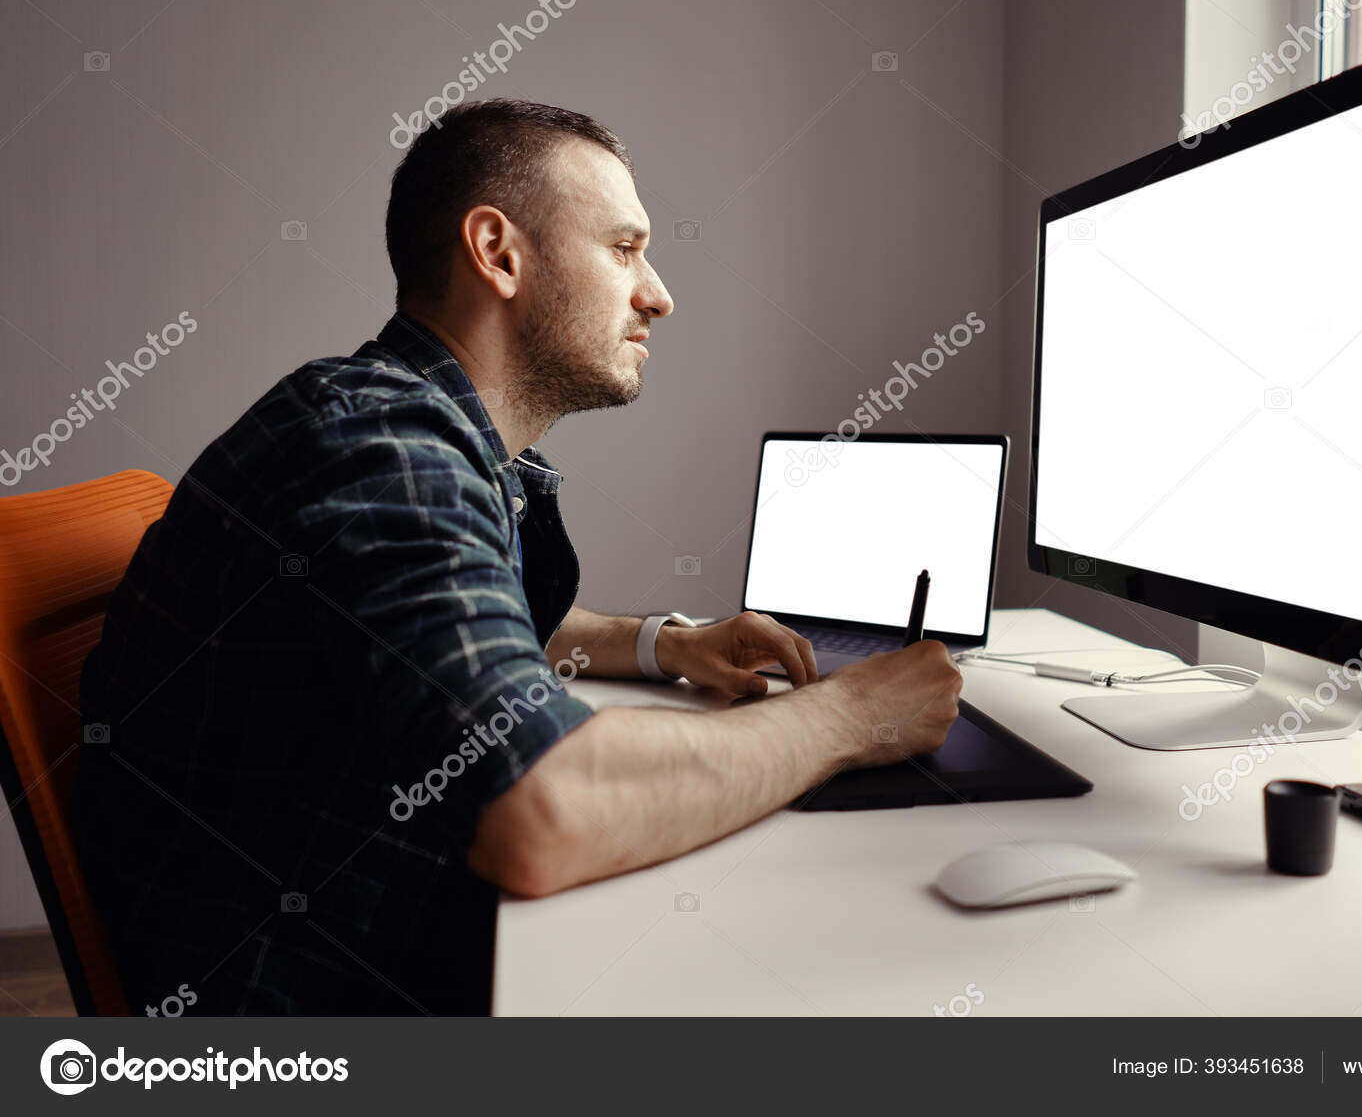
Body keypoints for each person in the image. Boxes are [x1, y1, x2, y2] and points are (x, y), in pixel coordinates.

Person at [73, 99, 961, 1016]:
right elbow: (540, 812)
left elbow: (451, 631)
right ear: (498, 253)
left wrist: (665, 642)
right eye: (624, 249)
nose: (657, 293)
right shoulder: (381, 447)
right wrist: (853, 719)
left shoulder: (412, 426)